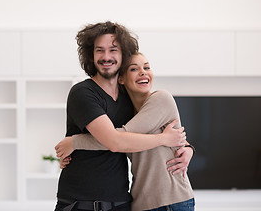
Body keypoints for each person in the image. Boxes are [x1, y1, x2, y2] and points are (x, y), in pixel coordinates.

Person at [54, 21, 192, 211]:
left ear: (123, 55)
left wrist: (186, 147)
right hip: (81, 203)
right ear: (91, 55)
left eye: (113, 50)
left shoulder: (130, 98)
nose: (106, 56)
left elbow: (153, 129)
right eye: (99, 50)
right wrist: (164, 139)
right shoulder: (83, 93)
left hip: (121, 203)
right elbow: (115, 140)